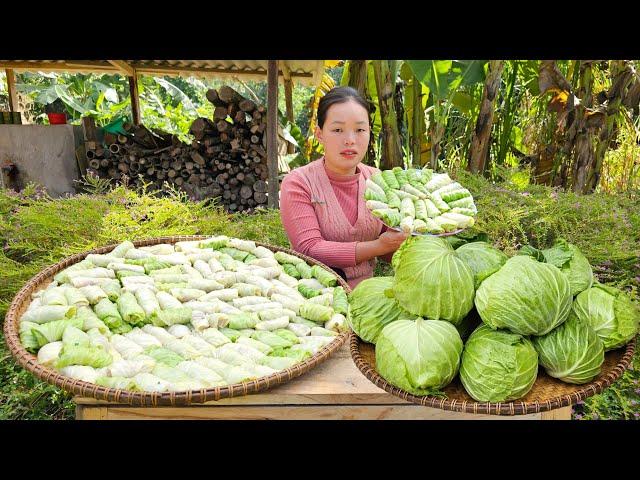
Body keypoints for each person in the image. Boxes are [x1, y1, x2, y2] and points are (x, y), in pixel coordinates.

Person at [279, 86, 408, 290]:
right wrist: (378, 246)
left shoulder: (379, 181)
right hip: (315, 294)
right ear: (320, 134)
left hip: (370, 295)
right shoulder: (299, 182)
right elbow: (309, 248)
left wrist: (412, 234)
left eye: (360, 130)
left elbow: (389, 248)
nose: (350, 140)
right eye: (338, 130)